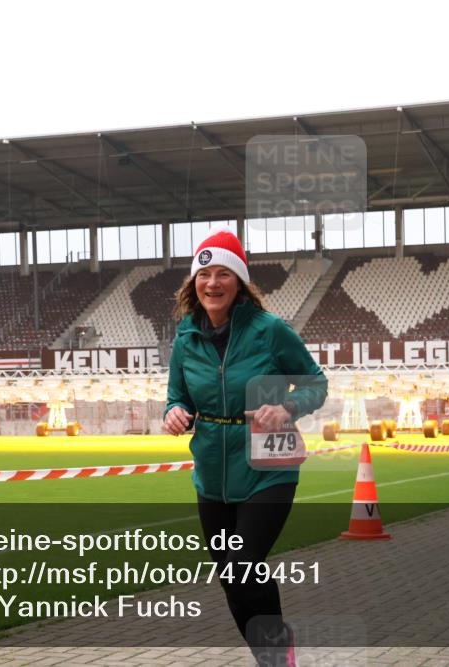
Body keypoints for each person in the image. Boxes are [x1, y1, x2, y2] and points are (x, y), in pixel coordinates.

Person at [163, 227, 327, 666]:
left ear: (239, 282)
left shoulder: (269, 330)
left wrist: (288, 406)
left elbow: (316, 383)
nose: (212, 283)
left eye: (223, 274)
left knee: (244, 561)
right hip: (212, 471)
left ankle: (279, 652)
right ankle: (269, 657)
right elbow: (177, 395)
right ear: (192, 284)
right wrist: (173, 412)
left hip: (269, 462)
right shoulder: (185, 337)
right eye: (204, 274)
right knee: (231, 578)